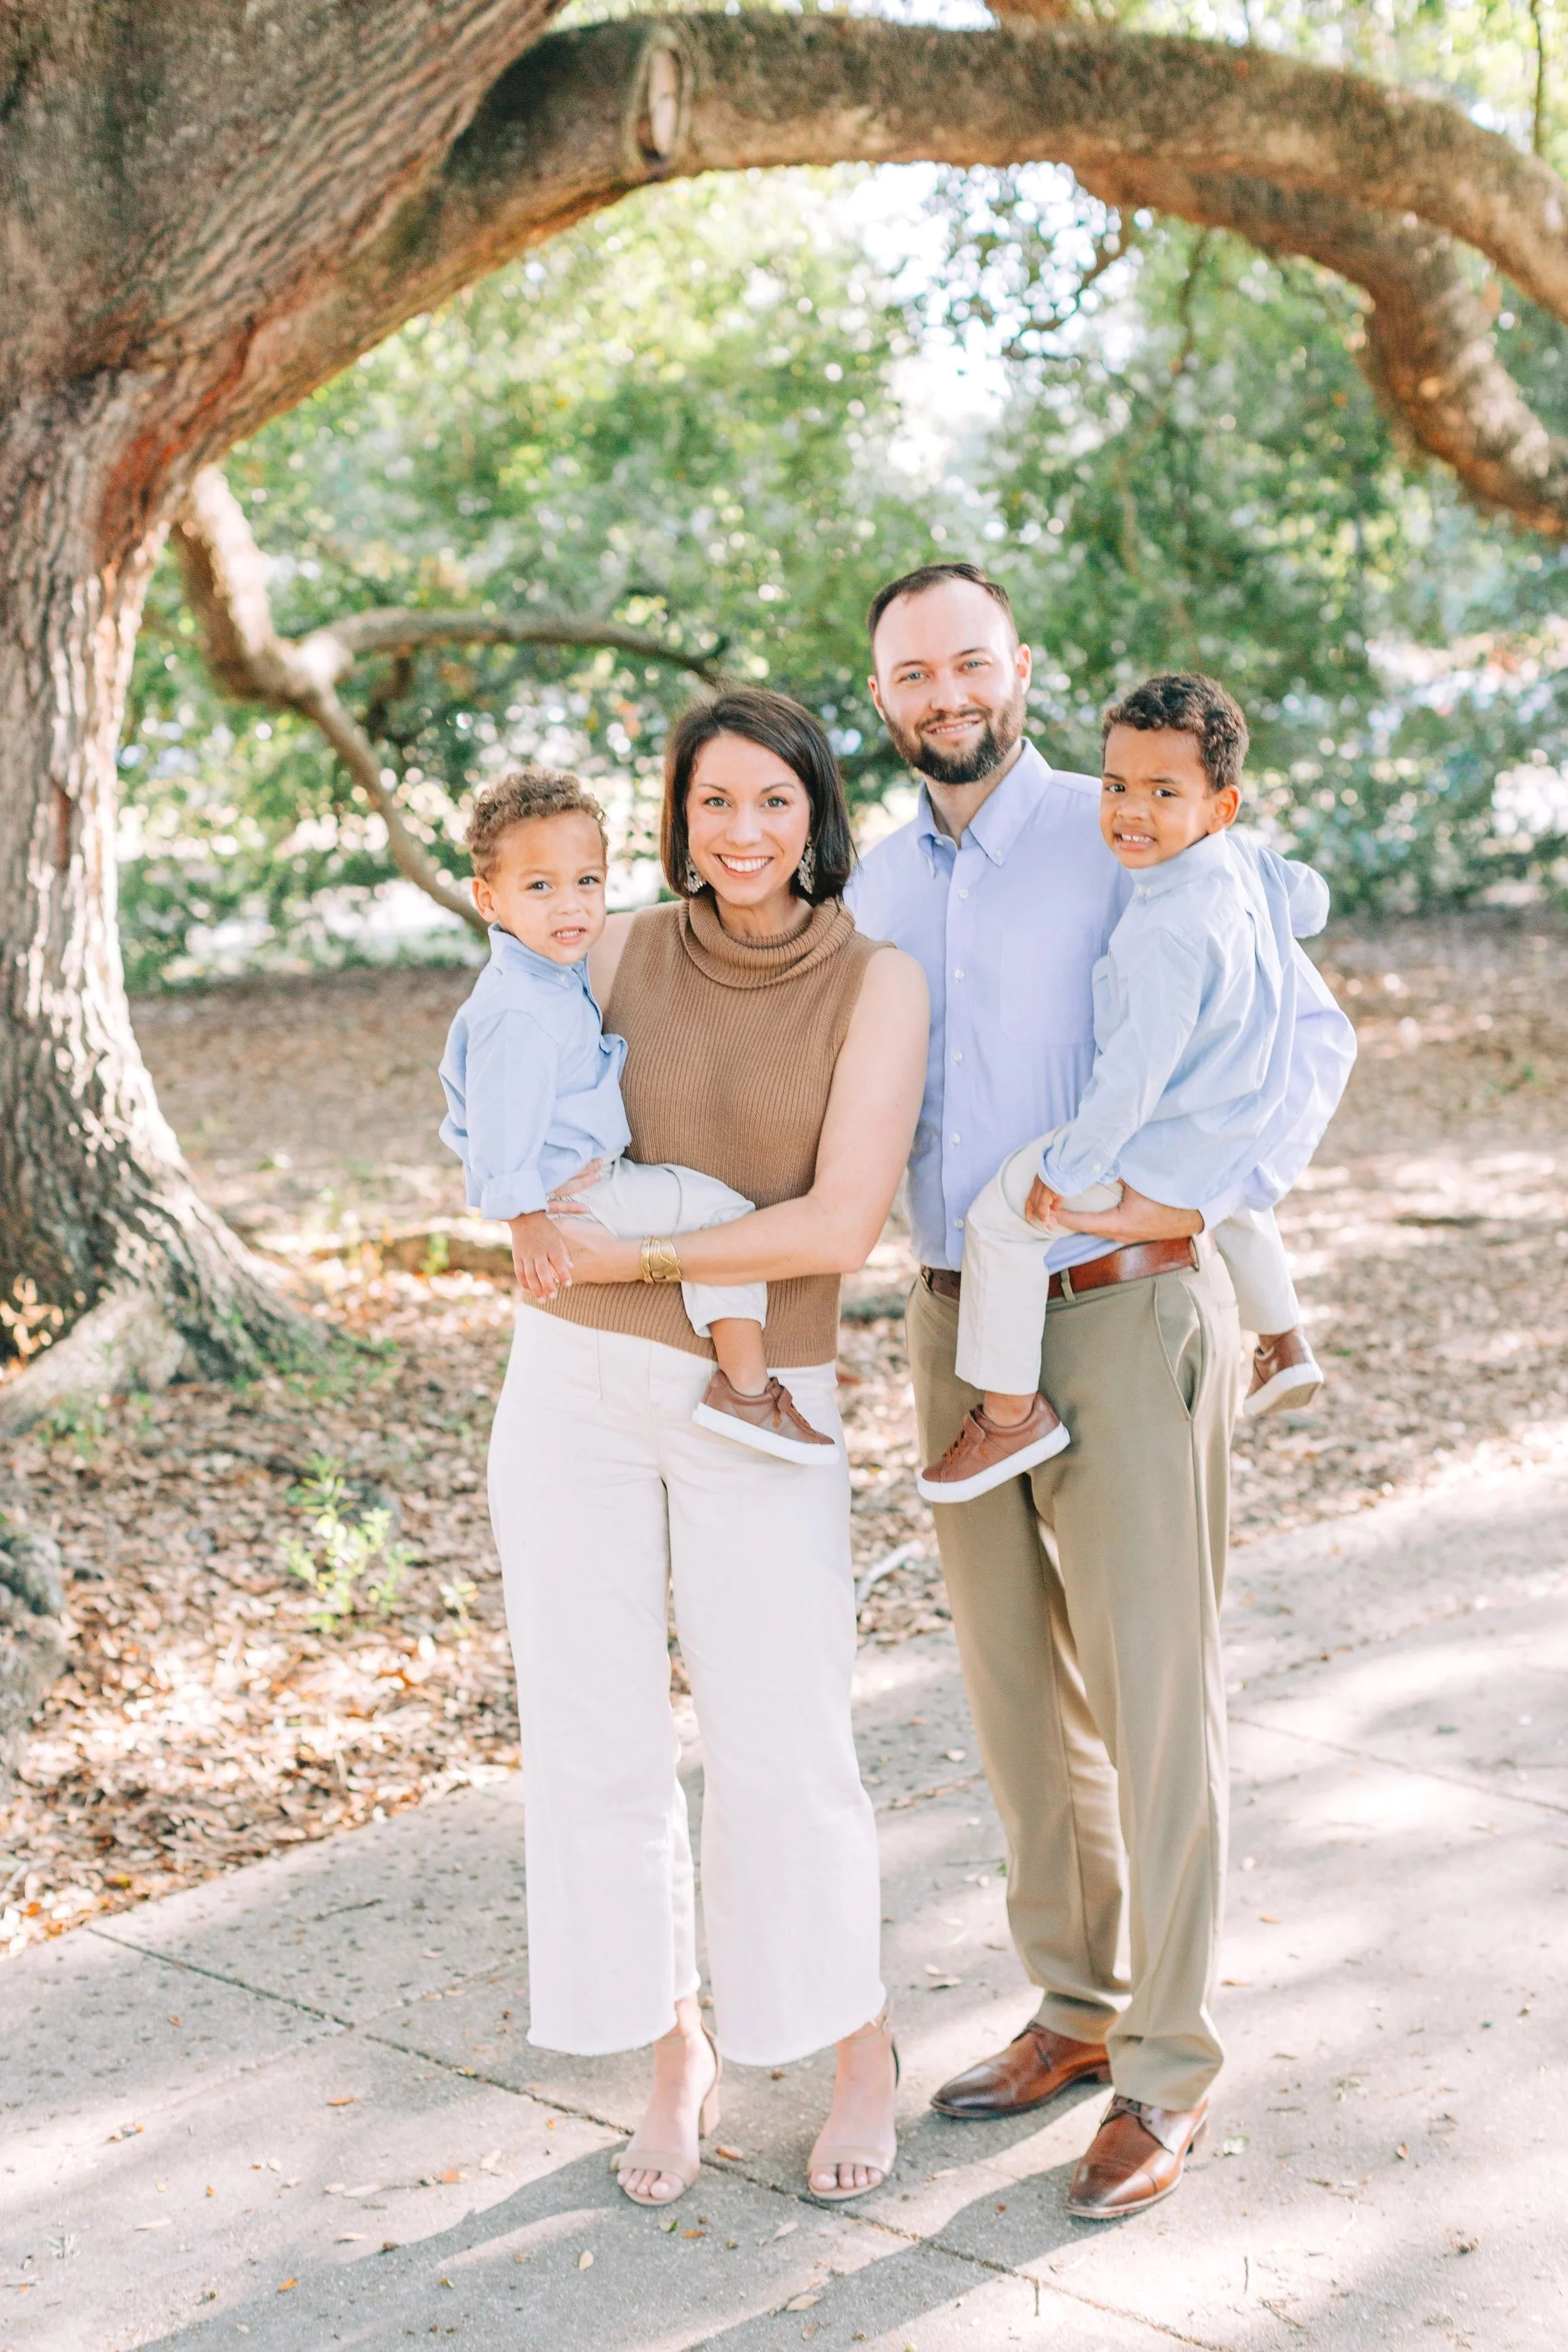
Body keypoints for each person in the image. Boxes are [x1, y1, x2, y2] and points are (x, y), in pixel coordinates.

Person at [847, 564, 1354, 2220]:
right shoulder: (870, 878)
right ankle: (1070, 2006)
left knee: (1155, 1696)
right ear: (883, 695)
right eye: (910, 671)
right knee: (1011, 1701)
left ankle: (1165, 2064)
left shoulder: (1129, 823)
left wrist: (1203, 1196)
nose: (942, 691)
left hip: (1127, 1314)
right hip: (954, 1315)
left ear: (1020, 668)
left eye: (967, 660)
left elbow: (1309, 1033)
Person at [482, 687, 929, 2207]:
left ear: (817, 813)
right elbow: (497, 1095)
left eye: (772, 801)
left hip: (764, 1400)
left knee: (784, 1743)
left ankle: (853, 2040)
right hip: (574, 1396)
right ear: (674, 818)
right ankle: (676, 2049)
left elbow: (837, 1225)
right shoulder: (604, 946)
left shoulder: (880, 985)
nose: (741, 832)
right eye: (712, 802)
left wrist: (608, 1257)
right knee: (599, 1740)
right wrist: (528, 1213)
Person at [918, 672, 1323, 1505]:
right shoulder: (1241, 863)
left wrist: (1065, 1170)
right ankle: (1283, 1340)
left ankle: (1007, 1410)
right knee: (1242, 1202)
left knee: (1001, 1213)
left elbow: (1133, 1077)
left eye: (1161, 791)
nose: (1130, 810)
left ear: (1221, 806)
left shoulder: (1166, 929)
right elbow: (1306, 896)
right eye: (1116, 786)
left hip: (1164, 1137)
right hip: (1236, 1106)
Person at [438, 764, 835, 1465]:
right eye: (540, 887)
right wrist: (526, 1222)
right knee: (725, 1216)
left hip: (582, 1180)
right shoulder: (517, 1010)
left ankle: (742, 1384)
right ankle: (747, 1390)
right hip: (577, 1197)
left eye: (586, 882)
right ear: (486, 898)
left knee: (713, 1213)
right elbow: (498, 1124)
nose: (571, 907)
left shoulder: (547, 975)